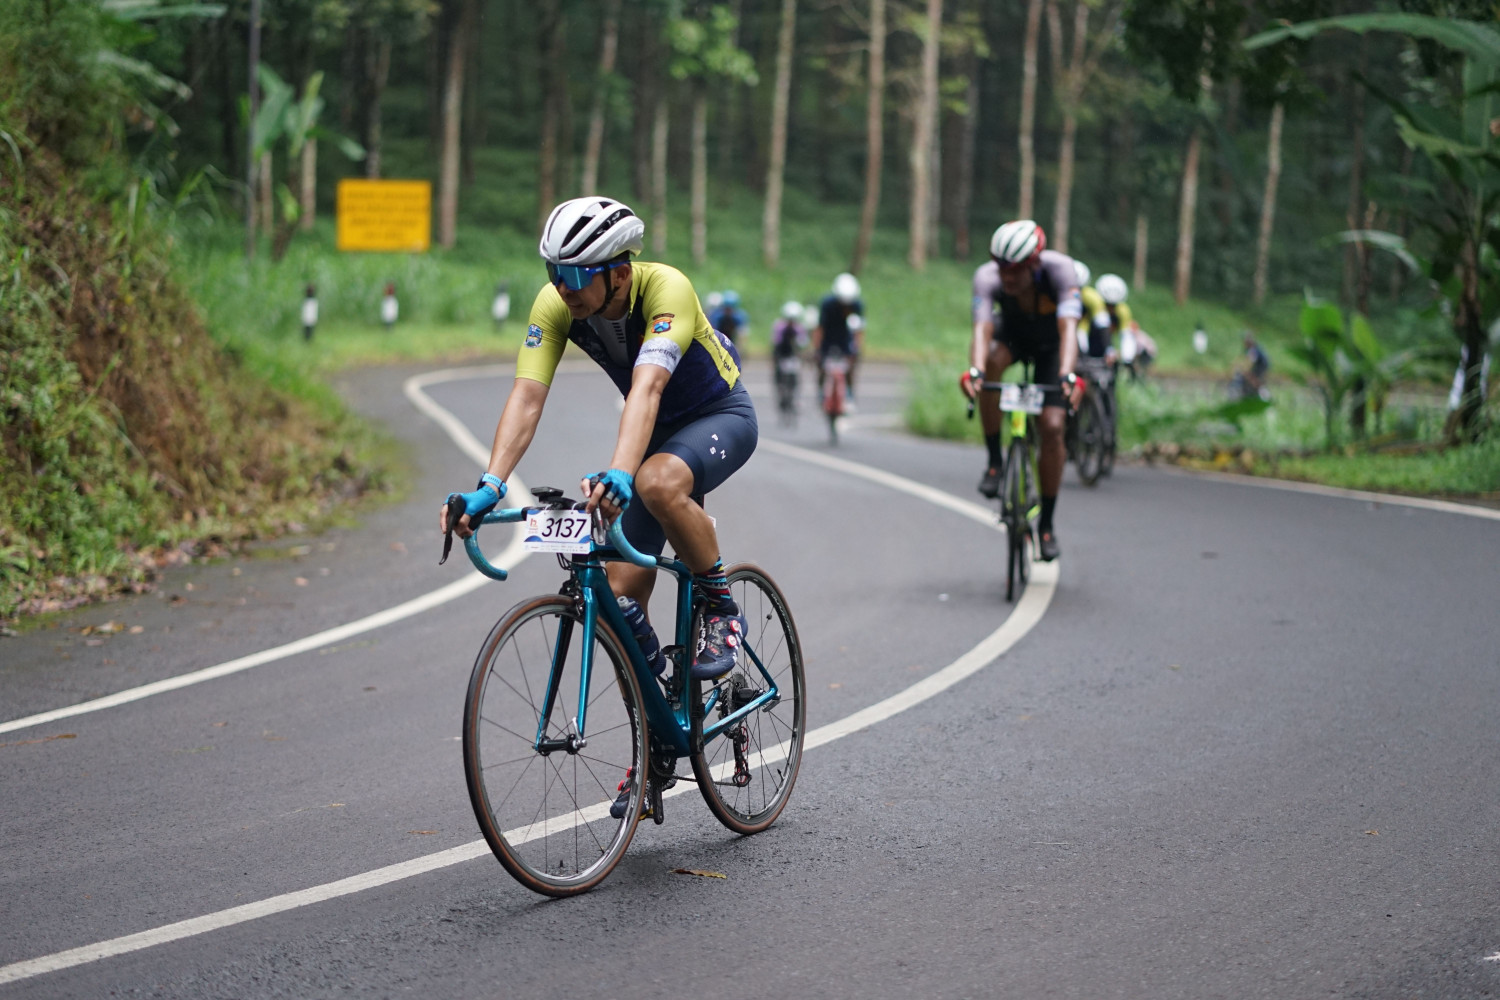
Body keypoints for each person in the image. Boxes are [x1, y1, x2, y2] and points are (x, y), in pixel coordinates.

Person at [439, 196, 756, 697]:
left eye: (575, 275)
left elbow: (647, 388)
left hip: (719, 416)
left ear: (620, 274)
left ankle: (721, 609)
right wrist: (490, 486)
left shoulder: (666, 288)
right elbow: (527, 397)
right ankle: (656, 729)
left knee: (655, 481)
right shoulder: (556, 304)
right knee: (615, 602)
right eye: (554, 272)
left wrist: (621, 473)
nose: (562, 287)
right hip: (653, 433)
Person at [959, 220, 1084, 562]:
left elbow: (1069, 328)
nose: (1007, 277)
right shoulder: (987, 277)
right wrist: (975, 371)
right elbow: (982, 328)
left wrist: (1067, 375)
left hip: (1052, 347)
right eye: (1002, 268)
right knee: (990, 366)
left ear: (1034, 263)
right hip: (1012, 336)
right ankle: (995, 463)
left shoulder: (1061, 271)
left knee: (1052, 426)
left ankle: (1046, 524)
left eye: (1015, 270)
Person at [813, 272, 865, 404]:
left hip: (845, 337)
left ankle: (849, 392)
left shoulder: (857, 305)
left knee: (850, 365)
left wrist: (857, 348)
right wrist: (817, 348)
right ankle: (821, 391)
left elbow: (859, 330)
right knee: (822, 364)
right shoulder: (827, 304)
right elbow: (820, 328)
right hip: (828, 337)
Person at [1233, 331, 1271, 401]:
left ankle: (1263, 392)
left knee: (1251, 376)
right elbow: (1244, 358)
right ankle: (1256, 391)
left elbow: (1250, 361)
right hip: (1259, 364)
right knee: (1249, 375)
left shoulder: (1253, 349)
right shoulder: (1248, 349)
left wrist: (1243, 369)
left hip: (1262, 364)